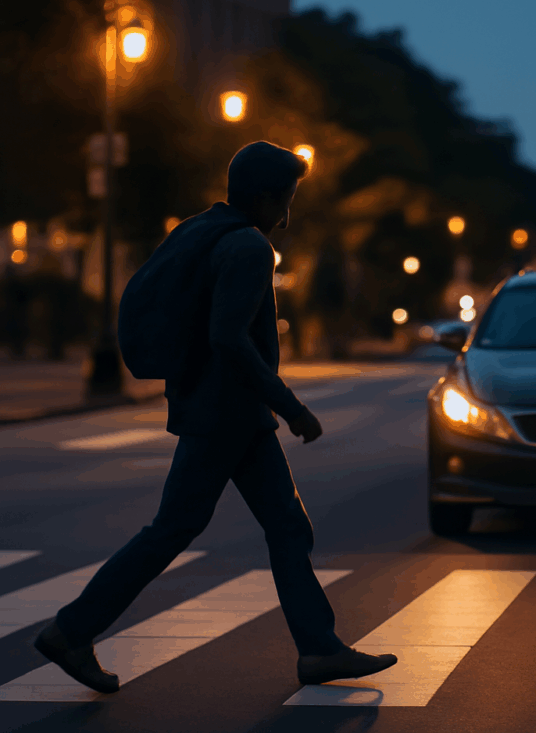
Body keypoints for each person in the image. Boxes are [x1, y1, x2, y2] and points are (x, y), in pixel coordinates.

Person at [34, 141, 397, 693]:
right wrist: (293, 408)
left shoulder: (199, 229)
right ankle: (71, 629)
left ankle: (319, 648)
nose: (287, 215)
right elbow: (228, 339)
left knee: (284, 526)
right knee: (173, 530)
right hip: (226, 413)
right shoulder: (248, 247)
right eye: (285, 200)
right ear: (262, 197)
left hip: (225, 411)